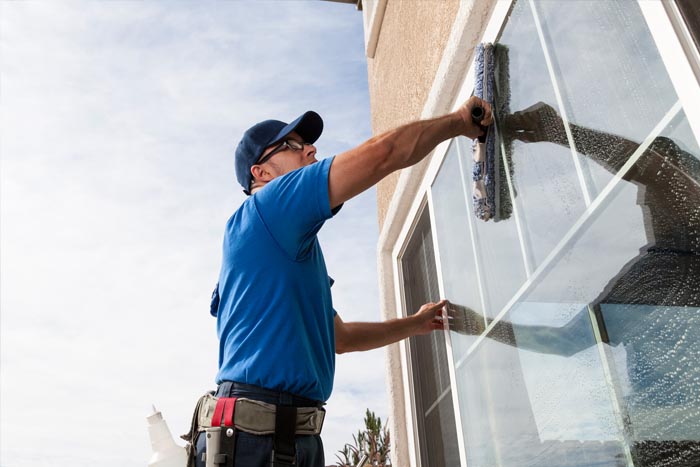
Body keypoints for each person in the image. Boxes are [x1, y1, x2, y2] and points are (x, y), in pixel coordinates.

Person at [196, 97, 492, 467]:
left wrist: (415, 324)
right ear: (262, 173)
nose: (310, 149)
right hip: (259, 438)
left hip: (284, 436)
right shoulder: (269, 207)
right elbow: (383, 153)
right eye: (292, 145)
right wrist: (459, 122)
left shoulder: (285, 250)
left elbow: (341, 338)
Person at [449, 101, 700, 467]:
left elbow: (565, 341)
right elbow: (658, 171)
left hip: (669, 445)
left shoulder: (659, 275)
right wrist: (563, 133)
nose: (640, 203)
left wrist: (481, 326)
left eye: (647, 195)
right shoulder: (670, 271)